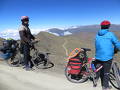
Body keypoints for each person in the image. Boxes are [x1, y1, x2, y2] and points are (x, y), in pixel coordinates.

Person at [94, 20, 120, 90]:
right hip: (107, 57)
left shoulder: (97, 35)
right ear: (108, 26)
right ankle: (105, 87)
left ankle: (95, 79)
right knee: (106, 72)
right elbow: (117, 43)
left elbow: (97, 45)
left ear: (101, 26)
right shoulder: (110, 34)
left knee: (99, 68)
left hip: (98, 56)